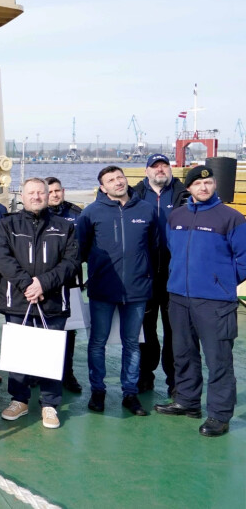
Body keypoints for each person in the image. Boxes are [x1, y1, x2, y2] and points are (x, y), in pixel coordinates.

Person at [154, 165, 246, 437]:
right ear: (189, 188)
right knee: (183, 353)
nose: (203, 188)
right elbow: (173, 248)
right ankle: (187, 400)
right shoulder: (177, 216)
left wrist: (222, 281)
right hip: (180, 297)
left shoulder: (231, 218)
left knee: (218, 359)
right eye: (197, 184)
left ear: (214, 185)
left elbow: (243, 258)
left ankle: (219, 414)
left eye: (208, 183)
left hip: (215, 301)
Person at [0, 177, 80, 430]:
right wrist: (27, 285)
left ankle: (49, 404)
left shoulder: (64, 227)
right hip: (18, 301)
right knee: (19, 353)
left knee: (50, 353)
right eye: (31, 193)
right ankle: (19, 400)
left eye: (41, 192)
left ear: (48, 195)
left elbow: (71, 262)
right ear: (23, 195)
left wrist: (43, 283)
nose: (37, 197)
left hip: (52, 302)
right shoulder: (7, 224)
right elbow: (1, 256)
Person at [77, 166, 158, 417]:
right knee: (97, 342)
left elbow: (155, 247)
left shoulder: (146, 210)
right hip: (103, 288)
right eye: (110, 180)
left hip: (136, 290)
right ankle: (98, 391)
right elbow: (81, 249)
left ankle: (130, 393)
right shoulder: (91, 213)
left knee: (132, 344)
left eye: (120, 177)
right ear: (103, 187)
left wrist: (147, 276)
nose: (117, 182)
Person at [131, 153, 189, 395]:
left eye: (164, 165)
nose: (160, 170)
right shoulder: (134, 195)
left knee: (175, 329)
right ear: (147, 171)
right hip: (144, 274)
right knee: (146, 328)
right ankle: (145, 374)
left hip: (175, 272)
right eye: (155, 166)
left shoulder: (184, 194)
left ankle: (175, 381)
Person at [46, 176, 84, 394]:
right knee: (42, 327)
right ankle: (38, 373)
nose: (54, 195)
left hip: (70, 281)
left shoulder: (76, 215)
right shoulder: (39, 215)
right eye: (50, 192)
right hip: (45, 282)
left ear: (63, 191)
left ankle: (67, 373)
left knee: (69, 331)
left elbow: (86, 245)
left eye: (57, 191)